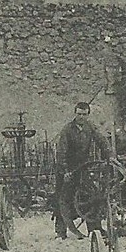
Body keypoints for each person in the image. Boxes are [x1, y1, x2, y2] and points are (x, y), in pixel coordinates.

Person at [53, 100, 114, 239]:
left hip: (84, 167)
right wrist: (65, 171)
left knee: (89, 196)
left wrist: (109, 156)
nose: (81, 117)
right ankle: (60, 231)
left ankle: (94, 229)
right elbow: (61, 152)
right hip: (67, 168)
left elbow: (102, 141)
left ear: (88, 115)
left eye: (84, 114)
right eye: (79, 114)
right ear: (75, 114)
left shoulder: (90, 127)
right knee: (63, 199)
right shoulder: (67, 130)